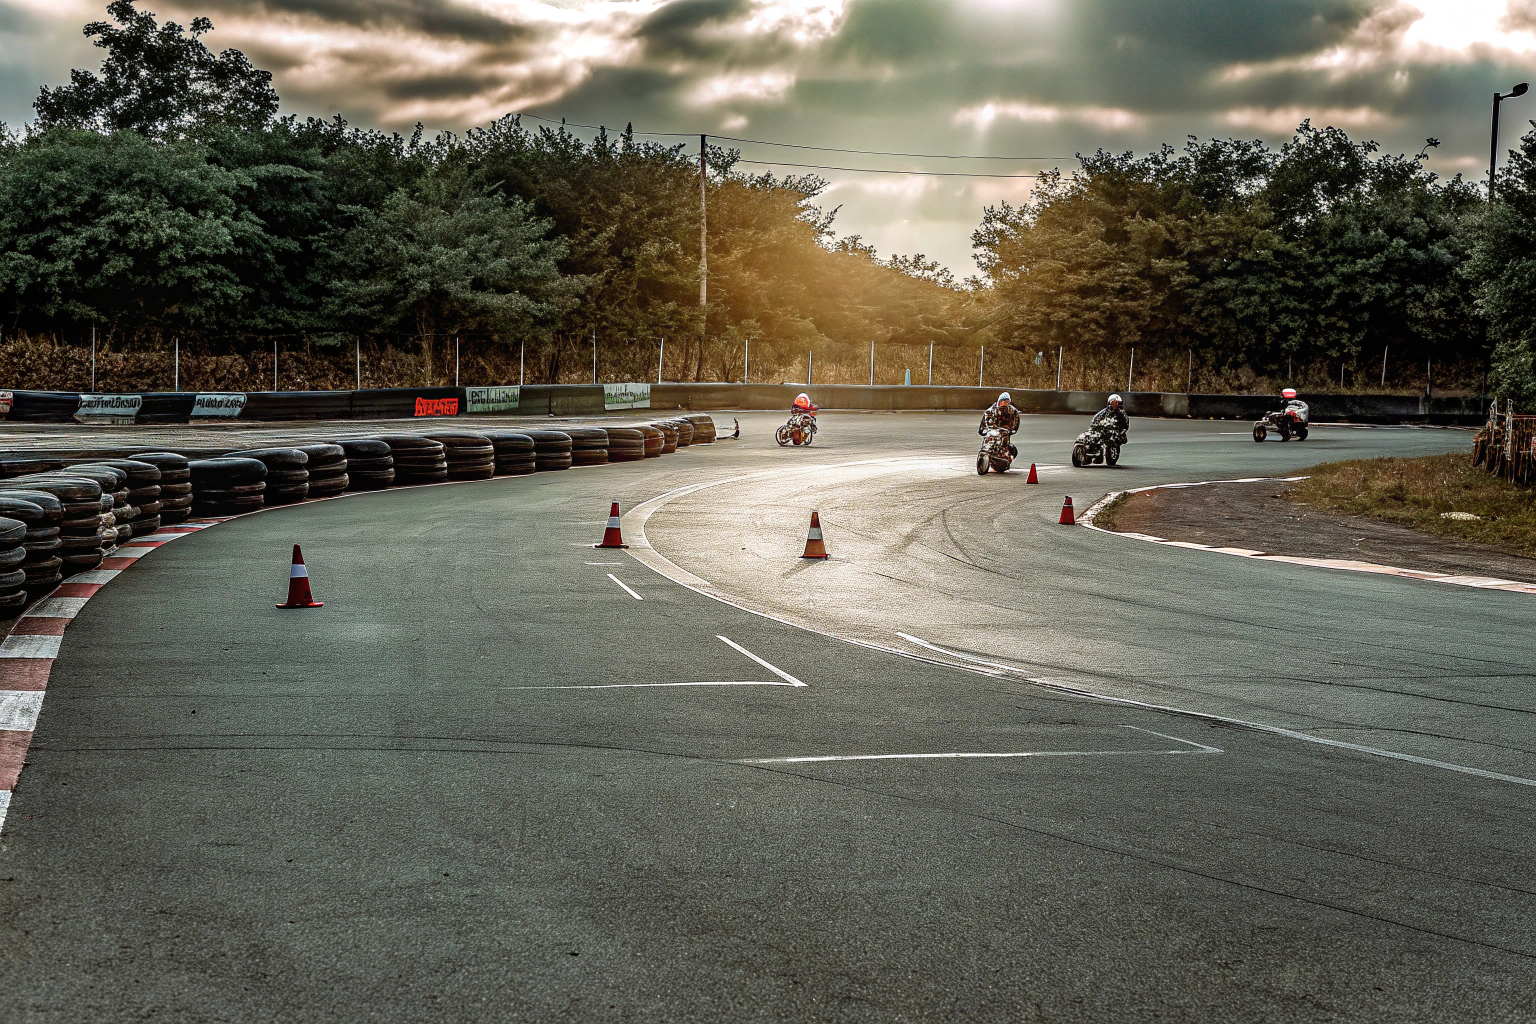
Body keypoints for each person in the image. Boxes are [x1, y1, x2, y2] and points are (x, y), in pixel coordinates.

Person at [979, 392, 1020, 457]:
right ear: (1000, 402)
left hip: (1005, 431)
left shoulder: (1014, 412)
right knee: (987, 441)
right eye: (1005, 401)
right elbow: (986, 422)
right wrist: (985, 429)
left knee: (1006, 445)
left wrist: (1012, 430)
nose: (1006, 403)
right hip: (993, 431)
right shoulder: (990, 411)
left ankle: (1007, 456)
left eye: (1008, 402)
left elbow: (1016, 423)